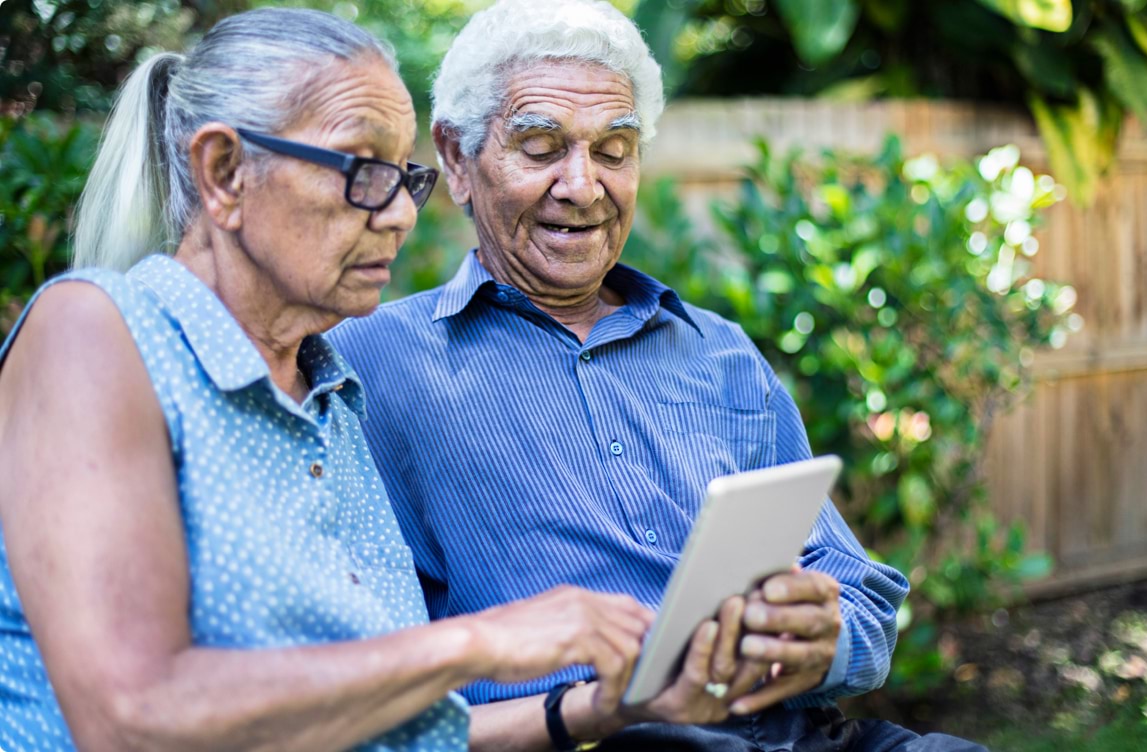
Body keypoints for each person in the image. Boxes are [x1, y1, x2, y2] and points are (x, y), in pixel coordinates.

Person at [0, 8, 683, 751]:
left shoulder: (332, 396)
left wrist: (599, 708)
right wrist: (482, 642)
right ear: (225, 173)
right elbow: (132, 713)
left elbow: (388, 728)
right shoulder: (98, 334)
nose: (398, 216)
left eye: (403, 179)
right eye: (361, 170)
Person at [329, 1, 988, 750]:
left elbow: (856, 586)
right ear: (456, 159)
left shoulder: (722, 353)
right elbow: (365, 680)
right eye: (541, 145)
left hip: (799, 731)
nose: (582, 186)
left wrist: (822, 635)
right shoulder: (368, 365)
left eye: (613, 150)